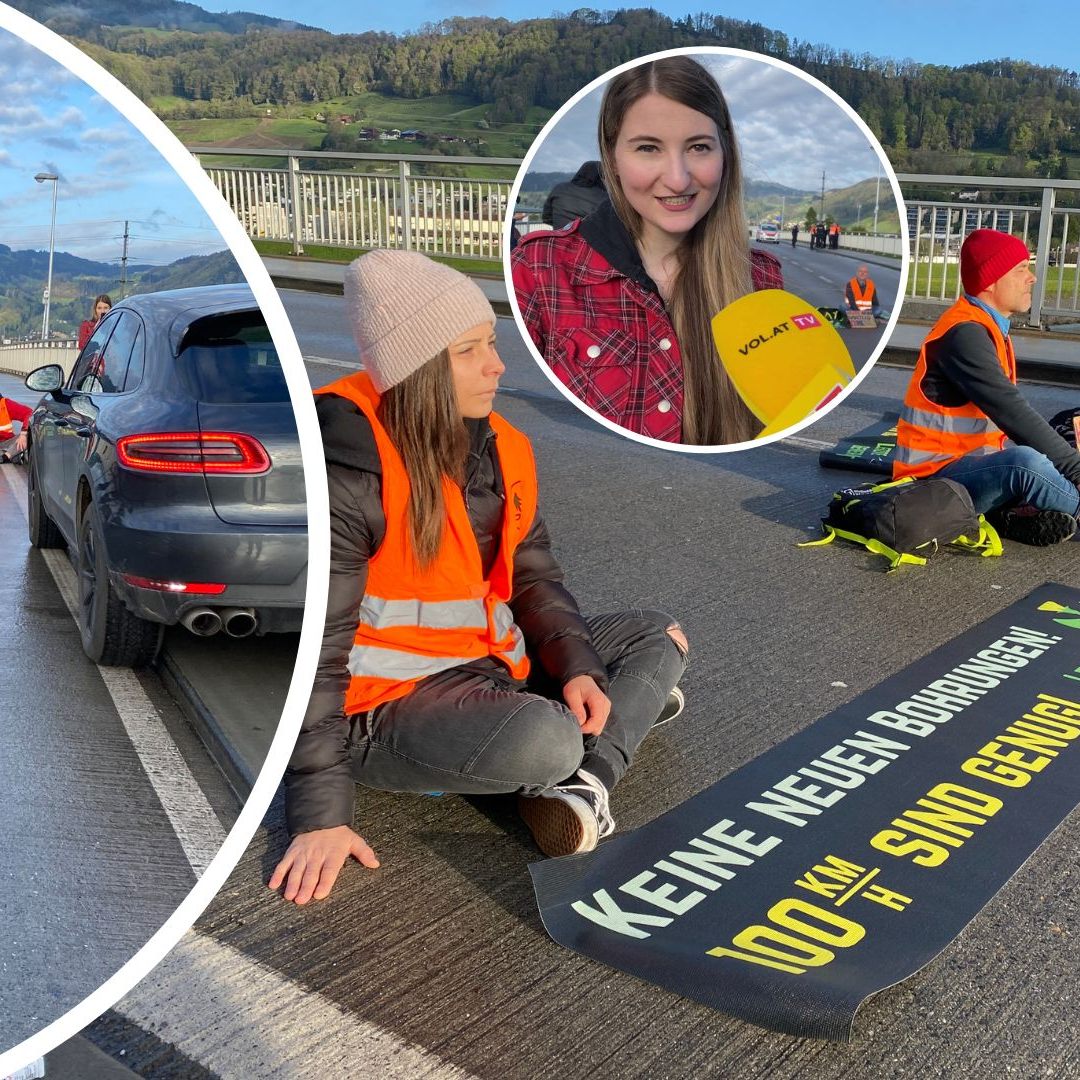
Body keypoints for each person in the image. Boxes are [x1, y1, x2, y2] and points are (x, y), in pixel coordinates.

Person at [269, 250, 689, 905]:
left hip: (489, 663)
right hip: (382, 706)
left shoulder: (500, 445)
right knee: (548, 740)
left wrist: (579, 668)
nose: (497, 365)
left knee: (655, 634)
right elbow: (317, 655)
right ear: (418, 370)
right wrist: (319, 815)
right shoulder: (350, 471)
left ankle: (586, 784)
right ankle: (593, 738)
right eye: (469, 351)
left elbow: (534, 578)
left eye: (490, 343)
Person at [511, 56, 783, 446]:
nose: (677, 179)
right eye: (648, 148)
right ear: (612, 158)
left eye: (699, 147)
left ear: (725, 153)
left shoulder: (761, 279)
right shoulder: (537, 271)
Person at [894, 228, 1080, 545]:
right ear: (990, 281)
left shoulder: (985, 326)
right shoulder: (965, 334)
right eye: (1021, 269)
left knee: (1046, 449)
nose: (1032, 278)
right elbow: (1012, 412)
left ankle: (1010, 515)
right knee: (1027, 464)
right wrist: (1074, 470)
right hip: (932, 479)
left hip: (968, 467)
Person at [541, 161, 609, 230]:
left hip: (560, 234)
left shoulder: (559, 188)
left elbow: (546, 218)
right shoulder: (604, 197)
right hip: (587, 236)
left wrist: (563, 227)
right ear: (600, 176)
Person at [0, 395, 32, 460]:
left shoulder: (5, 404)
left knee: (30, 435)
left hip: (7, 442)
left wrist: (23, 434)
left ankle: (5, 457)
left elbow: (29, 413)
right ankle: (13, 456)